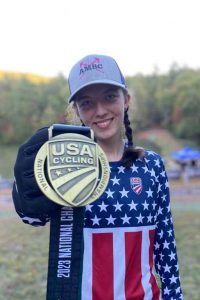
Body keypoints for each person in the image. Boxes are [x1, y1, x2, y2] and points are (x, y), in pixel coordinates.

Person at [13, 54, 183, 299]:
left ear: (126, 99)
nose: (100, 111)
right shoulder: (64, 167)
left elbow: (165, 244)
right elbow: (33, 218)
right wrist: (23, 193)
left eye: (109, 96)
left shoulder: (152, 165)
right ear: (77, 111)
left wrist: (174, 295)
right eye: (87, 102)